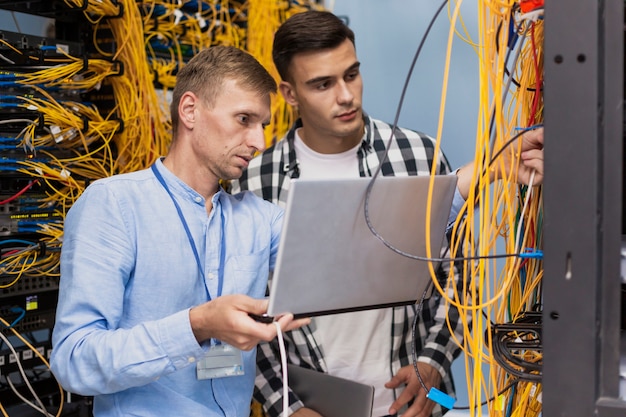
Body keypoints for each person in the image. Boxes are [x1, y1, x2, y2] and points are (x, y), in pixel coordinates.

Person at [230, 10, 544, 417]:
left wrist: (433, 362)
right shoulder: (255, 183)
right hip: (317, 406)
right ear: (289, 94)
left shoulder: (418, 155)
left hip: (417, 402)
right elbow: (247, 318)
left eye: (351, 74)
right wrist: (287, 407)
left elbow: (459, 274)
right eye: (322, 84)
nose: (345, 96)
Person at [49, 45, 309, 417]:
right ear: (190, 110)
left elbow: (335, 259)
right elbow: (74, 360)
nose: (259, 142)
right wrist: (197, 325)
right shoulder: (114, 205)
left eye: (263, 125)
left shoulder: (260, 219)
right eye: (244, 120)